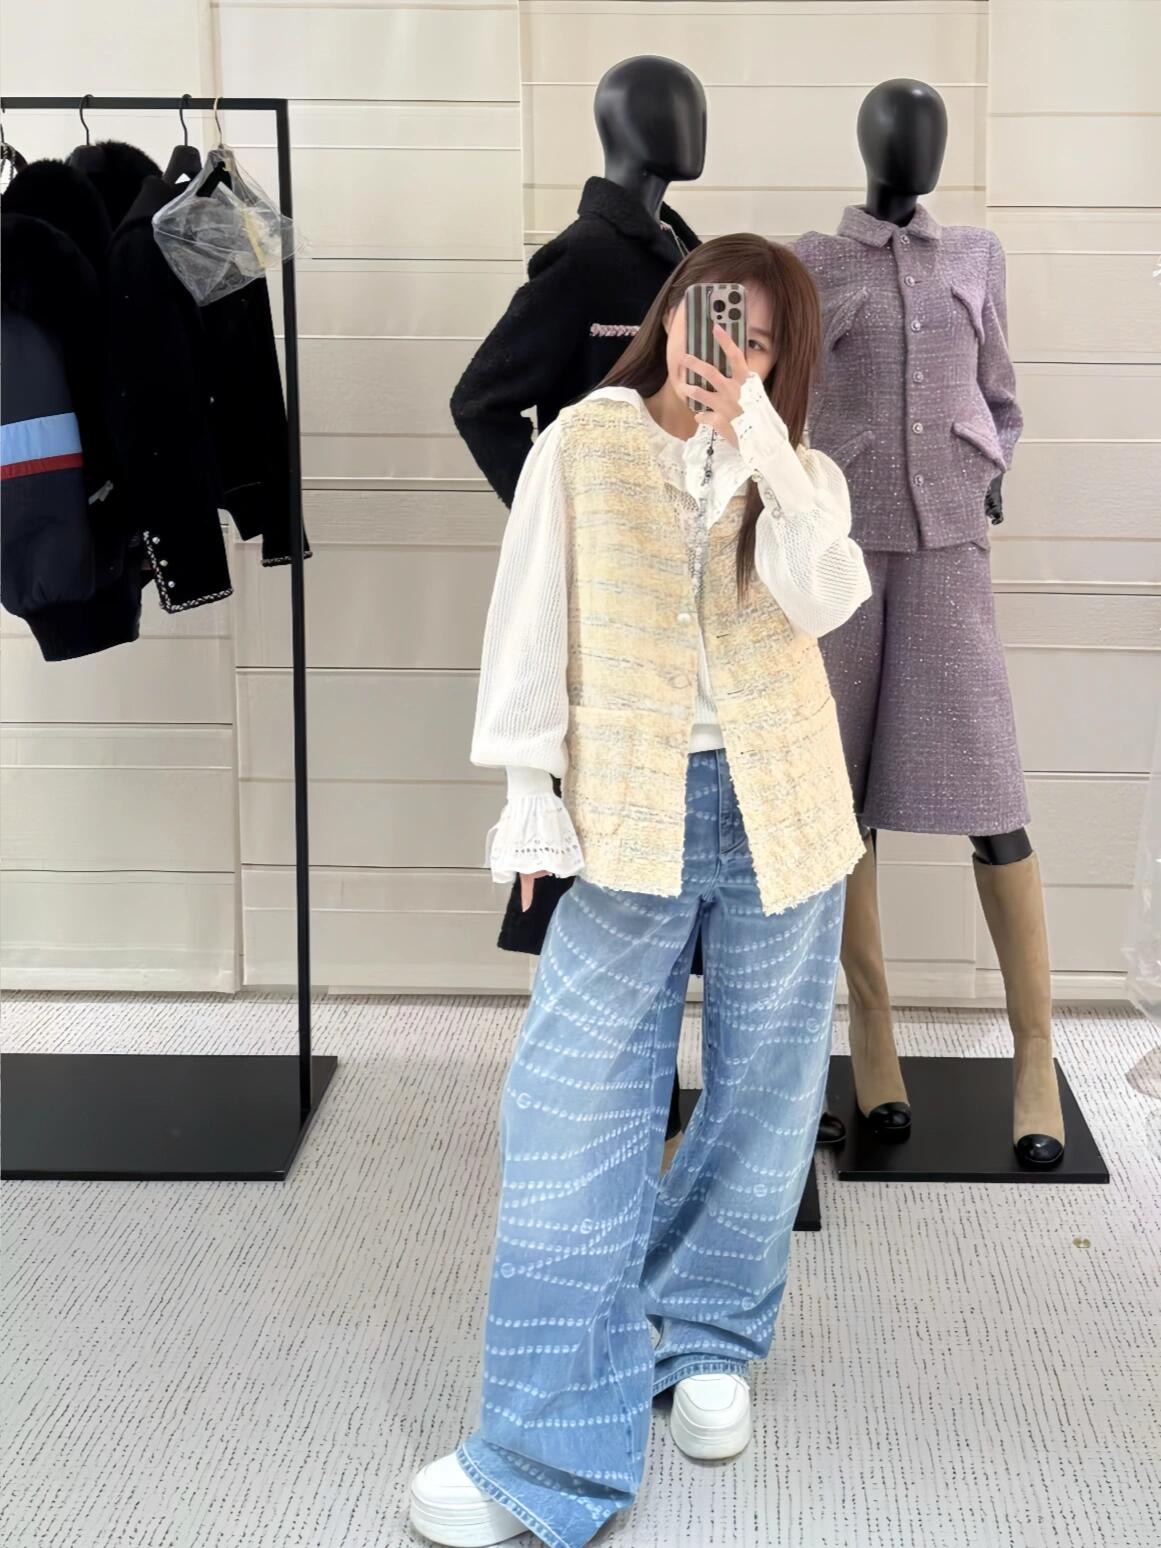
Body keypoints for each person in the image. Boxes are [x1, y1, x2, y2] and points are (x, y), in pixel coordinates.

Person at [410, 235, 872, 1548]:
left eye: (758, 339)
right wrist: (527, 792)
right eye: (710, 318)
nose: (725, 348)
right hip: (627, 813)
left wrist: (760, 441)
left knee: (766, 1092)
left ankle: (707, 1334)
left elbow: (825, 599)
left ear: (782, 363)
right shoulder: (580, 444)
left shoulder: (800, 473)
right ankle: (541, 1446)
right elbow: (526, 623)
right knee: (571, 1113)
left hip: (786, 815)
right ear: (669, 317)